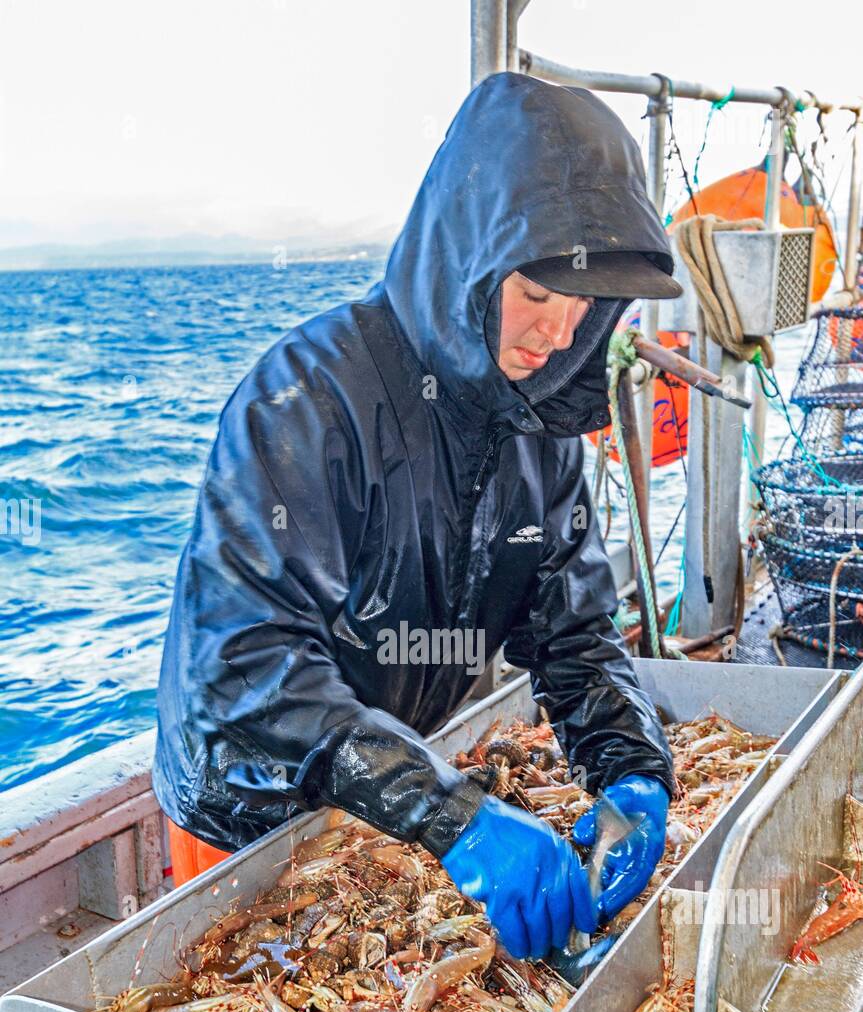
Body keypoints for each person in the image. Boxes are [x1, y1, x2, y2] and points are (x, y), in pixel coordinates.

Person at [153, 72, 682, 959]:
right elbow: (245, 668)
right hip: (249, 811)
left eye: (582, 308)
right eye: (535, 296)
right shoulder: (304, 398)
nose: (553, 337)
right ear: (466, 260)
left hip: (406, 793)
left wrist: (631, 769)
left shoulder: (542, 422)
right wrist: (452, 815)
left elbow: (575, 637)